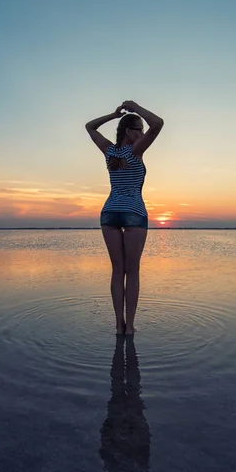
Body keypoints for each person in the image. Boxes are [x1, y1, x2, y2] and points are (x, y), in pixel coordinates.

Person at [85, 100, 164, 334]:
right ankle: (129, 327)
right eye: (139, 129)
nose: (143, 132)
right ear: (130, 132)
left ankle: (119, 326)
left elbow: (90, 127)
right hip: (133, 214)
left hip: (109, 214)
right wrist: (135, 107)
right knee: (133, 271)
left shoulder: (109, 151)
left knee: (117, 271)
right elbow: (158, 124)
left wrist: (113, 114)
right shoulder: (135, 150)